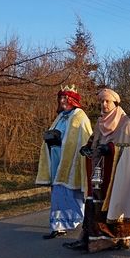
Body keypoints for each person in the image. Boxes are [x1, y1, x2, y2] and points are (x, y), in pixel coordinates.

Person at [63, 88, 130, 252]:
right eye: (101, 101)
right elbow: (94, 140)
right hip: (99, 170)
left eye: (107, 101)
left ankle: (119, 238)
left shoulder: (126, 124)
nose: (104, 104)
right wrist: (87, 148)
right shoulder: (101, 122)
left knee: (116, 201)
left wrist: (110, 149)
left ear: (115, 103)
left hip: (117, 173)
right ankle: (90, 237)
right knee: (94, 202)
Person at [36, 85, 92, 239]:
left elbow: (86, 138)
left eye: (64, 98)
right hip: (57, 161)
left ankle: (73, 221)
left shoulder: (80, 116)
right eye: (60, 98)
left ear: (72, 100)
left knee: (71, 194)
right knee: (57, 195)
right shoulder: (60, 116)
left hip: (71, 163)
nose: (61, 101)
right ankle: (58, 225)